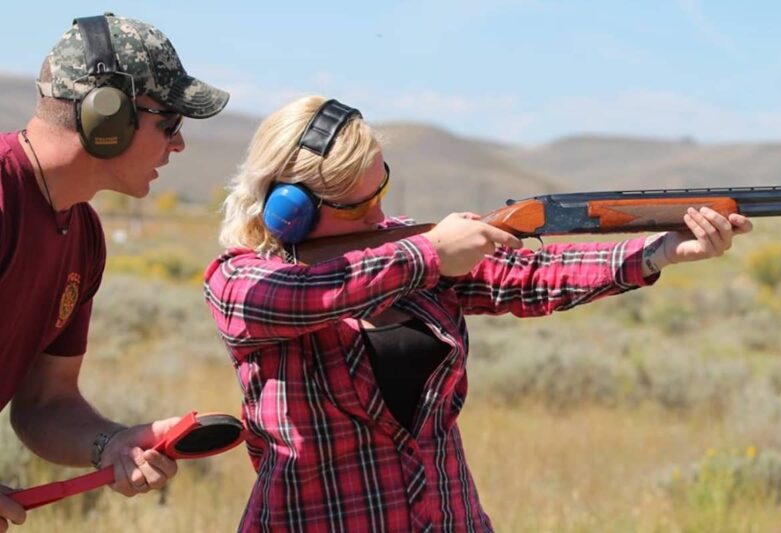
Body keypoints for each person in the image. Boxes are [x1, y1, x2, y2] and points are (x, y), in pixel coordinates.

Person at [204, 96, 752, 532]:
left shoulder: (415, 247)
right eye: (357, 204)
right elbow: (290, 298)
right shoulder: (241, 277)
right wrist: (433, 254)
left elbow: (533, 276)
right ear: (289, 211)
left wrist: (658, 250)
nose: (381, 212)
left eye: (382, 188)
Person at [0, 13, 228, 531]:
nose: (179, 144)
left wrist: (110, 444)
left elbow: (44, 402)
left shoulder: (84, 237)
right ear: (110, 117)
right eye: (169, 123)